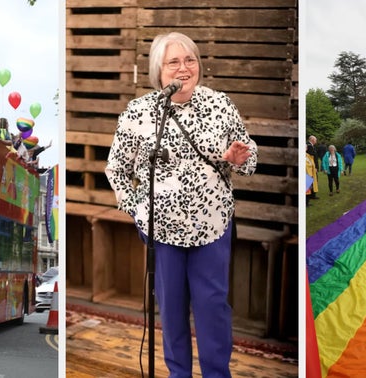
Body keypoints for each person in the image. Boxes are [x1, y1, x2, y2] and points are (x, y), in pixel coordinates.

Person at [104, 31, 257, 378]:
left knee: (212, 306)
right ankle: (178, 374)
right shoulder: (140, 113)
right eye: (174, 62)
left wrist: (237, 157)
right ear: (159, 71)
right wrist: (137, 210)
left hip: (212, 224)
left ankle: (217, 374)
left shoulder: (220, 104)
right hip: (162, 230)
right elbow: (116, 168)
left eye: (191, 60)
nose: (184, 68)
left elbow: (250, 156)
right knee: (171, 310)